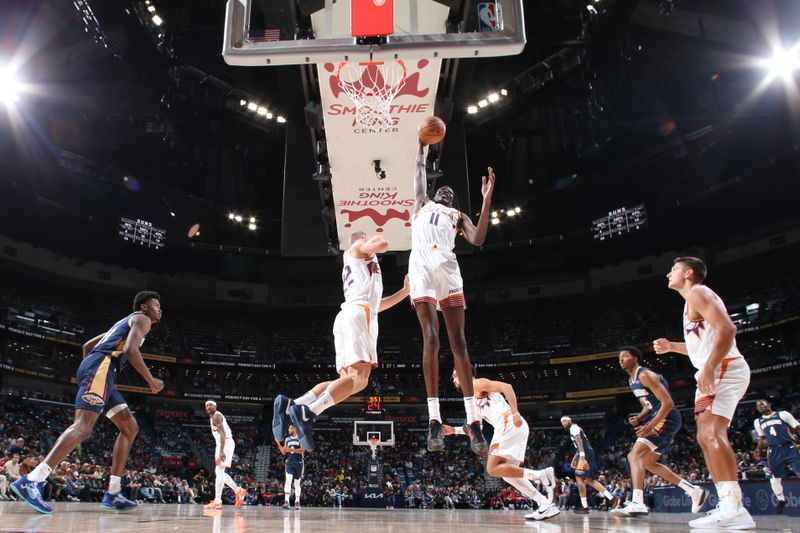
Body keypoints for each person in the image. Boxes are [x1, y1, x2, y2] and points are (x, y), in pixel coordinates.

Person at [12, 291, 165, 514]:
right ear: (144, 307)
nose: (160, 309)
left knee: (130, 427)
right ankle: (33, 479)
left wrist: (90, 373)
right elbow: (131, 351)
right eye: (156, 305)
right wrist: (151, 380)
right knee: (83, 427)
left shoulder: (119, 326)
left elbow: (86, 346)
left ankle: (113, 492)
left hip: (102, 372)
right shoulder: (142, 320)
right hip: (101, 369)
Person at [272, 231, 409, 450]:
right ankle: (309, 413)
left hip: (354, 315)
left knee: (351, 380)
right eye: (364, 239)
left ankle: (294, 404)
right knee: (358, 377)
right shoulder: (356, 250)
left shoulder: (362, 266)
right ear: (360, 239)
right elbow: (382, 243)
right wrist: (376, 235)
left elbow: (376, 306)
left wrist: (404, 292)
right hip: (358, 316)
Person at [654, 256, 755, 529]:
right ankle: (728, 504)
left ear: (688, 273)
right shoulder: (691, 302)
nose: (667, 274)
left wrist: (709, 368)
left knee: (712, 433)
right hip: (712, 370)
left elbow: (728, 329)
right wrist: (673, 347)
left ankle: (734, 507)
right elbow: (702, 346)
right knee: (704, 434)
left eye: (673, 269)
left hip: (723, 368)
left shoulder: (698, 292)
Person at [409, 140, 495, 454]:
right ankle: (434, 419)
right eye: (441, 189)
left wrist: (485, 203)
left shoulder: (457, 216)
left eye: (450, 192)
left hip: (446, 266)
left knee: (458, 341)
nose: (445, 190)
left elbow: (479, 238)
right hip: (421, 269)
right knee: (431, 339)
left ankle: (474, 422)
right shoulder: (421, 203)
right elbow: (419, 173)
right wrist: (421, 147)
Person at [443, 368, 560, 521]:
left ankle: (540, 475)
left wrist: (515, 412)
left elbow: (507, 387)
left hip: (508, 422)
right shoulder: (471, 399)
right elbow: (476, 429)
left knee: (491, 468)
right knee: (507, 474)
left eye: (455, 375)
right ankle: (544, 504)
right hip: (513, 426)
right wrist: (453, 430)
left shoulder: (476, 383)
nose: (453, 379)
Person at [611, 346, 708, 517]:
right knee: (648, 462)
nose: (621, 359)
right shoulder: (631, 380)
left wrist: (649, 425)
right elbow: (649, 405)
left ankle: (638, 503)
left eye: (625, 356)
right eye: (620, 357)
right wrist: (640, 417)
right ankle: (694, 491)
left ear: (635, 359)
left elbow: (668, 402)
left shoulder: (644, 375)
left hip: (667, 416)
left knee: (634, 456)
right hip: (659, 416)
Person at [753, 398, 800, 514]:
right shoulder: (758, 422)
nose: (760, 407)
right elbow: (763, 439)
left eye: (762, 404)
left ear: (769, 404)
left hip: (788, 447)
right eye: (758, 406)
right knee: (774, 480)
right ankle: (781, 500)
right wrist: (758, 449)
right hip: (773, 451)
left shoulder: (783, 414)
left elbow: (797, 427)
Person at [560, 416, 614, 513]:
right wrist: (574, 458)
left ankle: (585, 507)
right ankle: (611, 498)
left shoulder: (573, 428)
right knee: (589, 480)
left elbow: (579, 441)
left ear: (569, 420)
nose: (563, 423)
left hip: (585, 453)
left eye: (565, 421)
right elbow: (579, 444)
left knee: (579, 478)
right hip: (587, 452)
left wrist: (581, 455)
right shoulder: (575, 428)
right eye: (562, 422)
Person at [203, 400, 247, 510]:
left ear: (215, 406)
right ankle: (238, 491)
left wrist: (222, 451)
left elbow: (222, 434)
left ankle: (218, 500)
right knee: (219, 472)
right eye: (207, 405)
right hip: (222, 443)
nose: (208, 407)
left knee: (219, 471)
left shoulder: (217, 416)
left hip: (225, 442)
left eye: (210, 405)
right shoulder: (212, 417)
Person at [279, 424, 305, 510]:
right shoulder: (287, 439)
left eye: (290, 428)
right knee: (288, 479)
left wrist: (290, 450)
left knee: (297, 483)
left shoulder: (301, 438)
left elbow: (302, 450)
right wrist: (278, 443)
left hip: (298, 462)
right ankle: (286, 501)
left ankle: (297, 502)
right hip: (289, 462)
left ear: (294, 428)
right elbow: (283, 452)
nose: (288, 429)